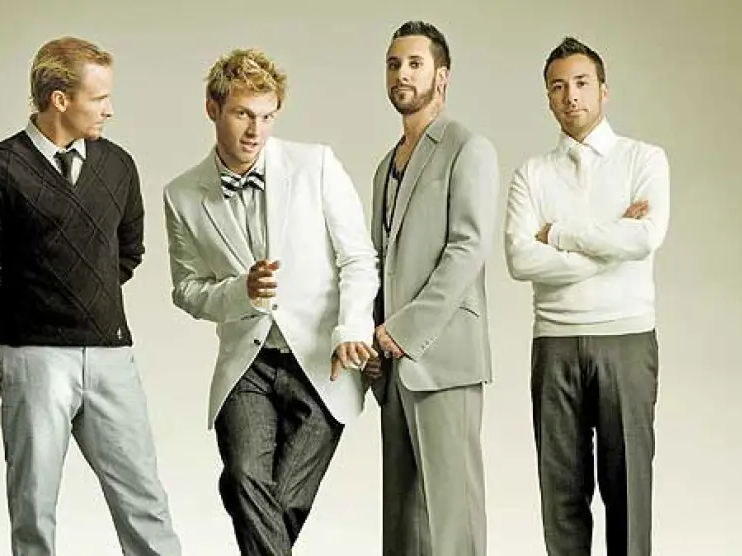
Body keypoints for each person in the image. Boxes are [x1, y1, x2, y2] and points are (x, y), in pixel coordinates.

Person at [0, 36, 181, 556]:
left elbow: (129, 251)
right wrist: (15, 326)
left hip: (111, 356)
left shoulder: (118, 165)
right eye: (100, 98)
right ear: (60, 99)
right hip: (35, 359)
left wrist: (86, 299)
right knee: (33, 506)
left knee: (144, 501)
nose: (110, 109)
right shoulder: (0, 168)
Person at [162, 47, 379, 556]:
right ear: (213, 108)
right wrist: (241, 291)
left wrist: (352, 328)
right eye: (243, 114)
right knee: (244, 479)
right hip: (247, 363)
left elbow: (357, 257)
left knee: (274, 502)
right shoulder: (182, 195)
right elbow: (186, 290)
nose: (255, 130)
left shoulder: (315, 165)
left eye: (267, 116)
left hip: (321, 360)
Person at [503, 36, 671, 556]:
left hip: (627, 338)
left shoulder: (643, 159)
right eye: (558, 87)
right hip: (554, 343)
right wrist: (609, 242)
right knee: (561, 495)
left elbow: (645, 237)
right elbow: (519, 260)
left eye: (581, 83)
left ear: (603, 90)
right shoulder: (532, 174)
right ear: (548, 98)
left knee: (628, 491)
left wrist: (557, 233)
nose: (570, 96)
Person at [369, 20, 499, 556]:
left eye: (414, 64)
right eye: (394, 64)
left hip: (443, 358)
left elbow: (467, 250)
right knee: (403, 527)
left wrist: (403, 330)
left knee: (453, 523)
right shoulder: (385, 167)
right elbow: (378, 263)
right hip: (393, 366)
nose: (401, 73)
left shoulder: (469, 149)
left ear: (441, 77)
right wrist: (373, 342)